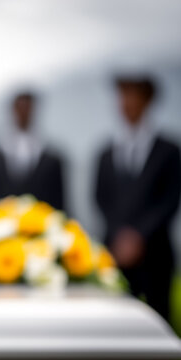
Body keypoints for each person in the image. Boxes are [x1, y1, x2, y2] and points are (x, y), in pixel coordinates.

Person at [95, 74, 181, 322]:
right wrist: (119, 235)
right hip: (115, 256)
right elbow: (101, 199)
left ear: (148, 100)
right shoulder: (105, 152)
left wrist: (139, 236)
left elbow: (170, 200)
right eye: (122, 95)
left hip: (156, 256)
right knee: (116, 326)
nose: (126, 102)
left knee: (159, 321)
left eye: (133, 95)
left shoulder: (169, 150)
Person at [0, 91, 65, 210]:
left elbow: (59, 203)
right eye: (20, 107)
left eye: (28, 107)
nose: (24, 112)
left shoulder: (52, 160)